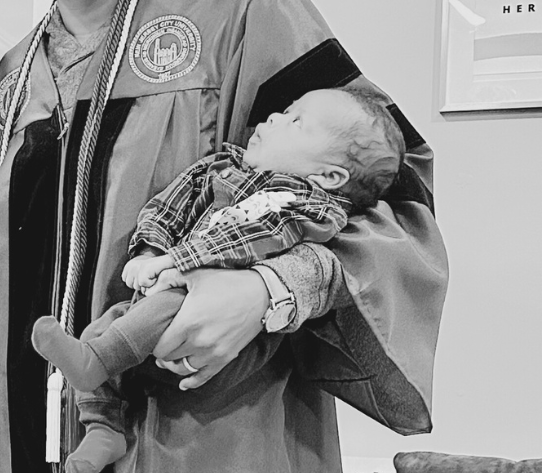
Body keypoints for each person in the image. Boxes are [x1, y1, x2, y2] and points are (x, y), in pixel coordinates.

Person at [0, 0, 448, 473]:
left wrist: (271, 288)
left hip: (209, 438)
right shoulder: (5, 85)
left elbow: (393, 197)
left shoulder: (245, 16)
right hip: (19, 439)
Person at [31, 87, 405, 472]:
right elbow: (168, 207)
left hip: (222, 338)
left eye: (296, 121)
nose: (275, 117)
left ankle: (95, 366)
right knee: (104, 330)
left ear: (330, 175)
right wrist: (152, 250)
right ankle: (103, 428)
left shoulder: (305, 203)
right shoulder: (222, 169)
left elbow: (256, 237)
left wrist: (181, 262)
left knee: (121, 337)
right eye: (286, 108)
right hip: (165, 294)